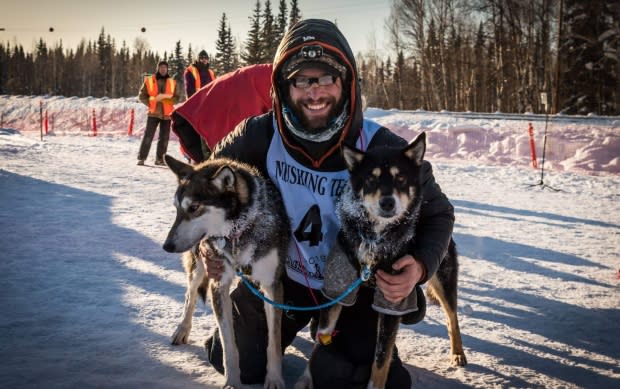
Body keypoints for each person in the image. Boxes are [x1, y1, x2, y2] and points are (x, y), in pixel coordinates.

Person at [193, 19, 454, 388]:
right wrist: (211, 240)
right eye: (301, 80)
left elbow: (439, 212)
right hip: (283, 277)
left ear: (347, 83)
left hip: (354, 287)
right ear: (283, 87)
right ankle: (304, 325)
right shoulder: (259, 135)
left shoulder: (381, 146)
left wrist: (420, 267)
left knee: (345, 379)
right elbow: (203, 189)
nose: (315, 92)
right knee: (234, 359)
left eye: (327, 78)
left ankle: (341, 337)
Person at [172, 63, 272, 163]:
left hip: (209, 107)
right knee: (215, 166)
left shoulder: (266, 74)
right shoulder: (270, 76)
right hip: (212, 113)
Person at [137, 61, 181, 166]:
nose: (163, 69)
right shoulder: (150, 80)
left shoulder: (172, 82)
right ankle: (142, 158)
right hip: (153, 114)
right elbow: (141, 96)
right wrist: (151, 103)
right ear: (158, 68)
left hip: (167, 115)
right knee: (148, 136)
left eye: (165, 67)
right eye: (161, 67)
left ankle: (160, 159)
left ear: (167, 69)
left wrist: (166, 100)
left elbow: (177, 98)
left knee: (164, 138)